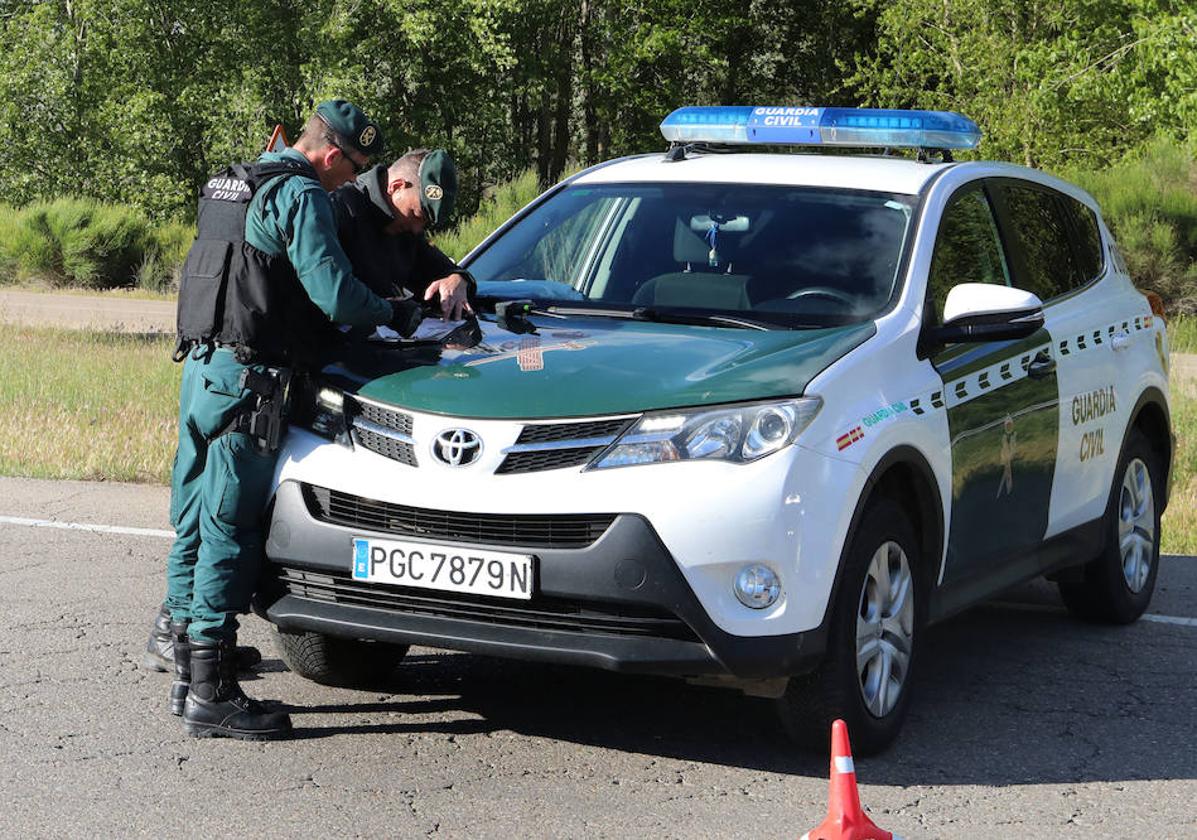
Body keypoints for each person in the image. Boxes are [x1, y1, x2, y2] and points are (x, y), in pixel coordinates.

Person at [148, 99, 424, 740]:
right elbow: (333, 293)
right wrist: (396, 311)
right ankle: (212, 692)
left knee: (192, 513)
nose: (351, 181)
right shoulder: (302, 194)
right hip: (250, 381)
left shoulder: (233, 181)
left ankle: (186, 661)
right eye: (353, 167)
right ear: (333, 155)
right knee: (229, 527)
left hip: (202, 369)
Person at [331, 148, 473, 319]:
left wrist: (458, 280)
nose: (417, 229)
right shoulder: (338, 209)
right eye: (415, 215)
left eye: (425, 223)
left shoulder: (405, 228)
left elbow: (441, 270)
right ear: (396, 187)